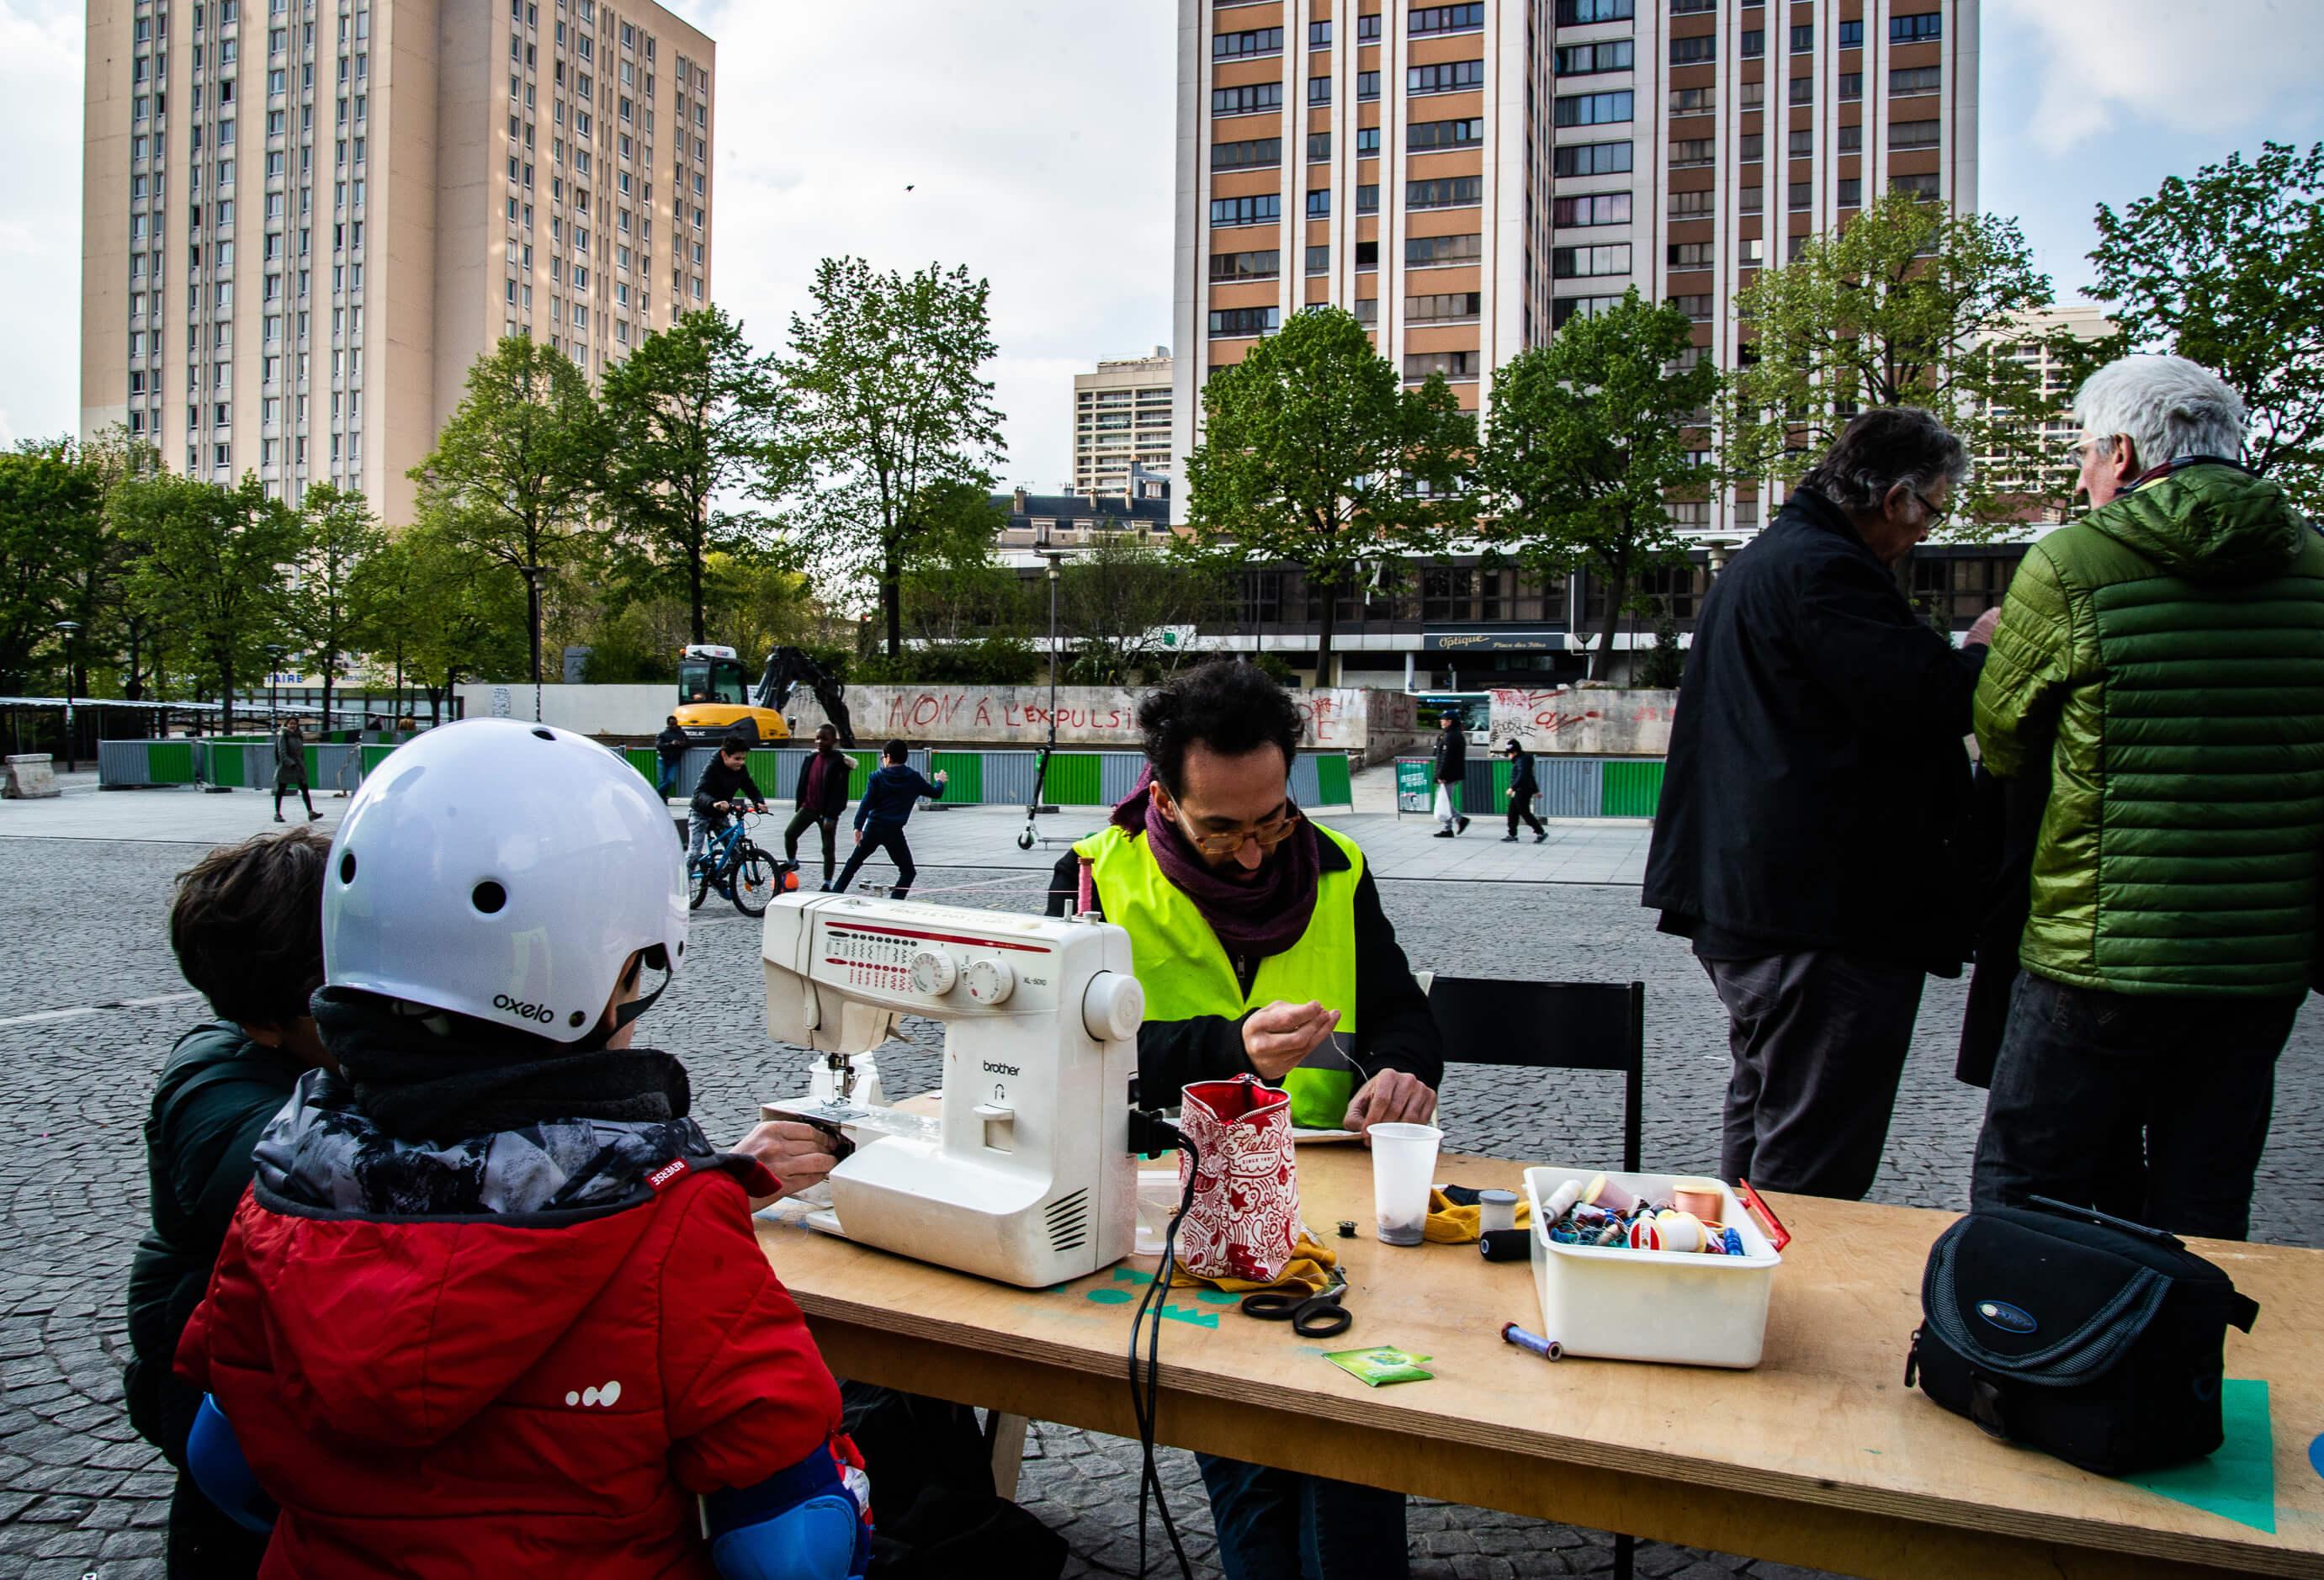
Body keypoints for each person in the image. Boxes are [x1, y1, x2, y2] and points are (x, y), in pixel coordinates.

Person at [173, 718, 865, 1577]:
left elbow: (223, 1467)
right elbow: (789, 1552)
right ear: (612, 972)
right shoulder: (671, 1227)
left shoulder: (280, 1189)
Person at [1047, 660, 1442, 1580]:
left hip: (1332, 1201)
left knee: (1353, 1439)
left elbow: (1402, 1012)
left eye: (1272, 820)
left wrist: (1403, 1071)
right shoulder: (1094, 878)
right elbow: (1067, 1051)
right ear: (1163, 796)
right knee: (1253, 1456)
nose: (1257, 851)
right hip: (1176, 1205)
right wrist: (1227, 1048)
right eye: (1223, 830)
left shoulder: (1337, 867)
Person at [1969, 356, 2324, 1240]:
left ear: (2122, 455)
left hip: (2097, 943)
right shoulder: (2314, 564)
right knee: (2201, 1197)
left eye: (2086, 454)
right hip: (2257, 954)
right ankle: (2175, 1372)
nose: (2082, 474)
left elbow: (2004, 737)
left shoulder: (2071, 561)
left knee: (2027, 1183)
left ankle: (2020, 1367)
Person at [1642, 407, 1986, 1201]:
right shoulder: (1826, 569)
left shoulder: (1778, 557)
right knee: (1811, 1151)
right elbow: (1924, 699)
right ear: (1897, 497)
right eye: (1933, 510)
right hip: (1819, 913)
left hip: (1766, 902)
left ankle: (1739, 1290)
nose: (1928, 531)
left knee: (1769, 1113)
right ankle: (1781, 1303)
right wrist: (1976, 653)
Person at [127, 827, 336, 1578]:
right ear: (266, 1018)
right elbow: (335, 1182)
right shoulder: (215, 1093)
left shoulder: (300, 1055)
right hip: (223, 1405)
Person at [828, 741, 944, 899]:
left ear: (888, 758)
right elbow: (936, 793)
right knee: (908, 871)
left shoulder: (877, 777)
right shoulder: (913, 778)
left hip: (873, 829)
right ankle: (896, 900)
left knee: (853, 863)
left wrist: (858, 827)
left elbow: (866, 803)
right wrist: (940, 781)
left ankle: (836, 893)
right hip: (894, 832)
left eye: (883, 756)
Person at [786, 724, 852, 888]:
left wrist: (832, 815)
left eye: (824, 738)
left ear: (834, 741)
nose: (819, 742)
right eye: (817, 738)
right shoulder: (810, 759)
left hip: (827, 814)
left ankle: (827, 883)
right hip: (808, 807)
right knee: (790, 833)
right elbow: (803, 782)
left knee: (828, 849)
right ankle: (792, 862)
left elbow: (841, 793)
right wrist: (800, 804)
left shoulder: (839, 762)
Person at [689, 733, 768, 870]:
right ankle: (682, 887)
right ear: (725, 755)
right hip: (701, 812)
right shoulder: (713, 767)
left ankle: (719, 880)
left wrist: (758, 802)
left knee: (736, 855)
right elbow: (699, 793)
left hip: (720, 814)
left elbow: (750, 787)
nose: (741, 762)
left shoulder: (740, 769)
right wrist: (714, 803)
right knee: (694, 854)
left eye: (744, 759)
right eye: (737, 758)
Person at [1430, 709, 1469, 838]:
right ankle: (1456, 821)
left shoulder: (1452, 736)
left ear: (1450, 721)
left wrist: (1442, 775)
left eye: (1443, 719)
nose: (1441, 721)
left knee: (1444, 801)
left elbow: (1447, 758)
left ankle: (1452, 825)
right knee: (1444, 800)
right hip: (1450, 773)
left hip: (1448, 774)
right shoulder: (1449, 734)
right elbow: (1439, 754)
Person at [1498, 738, 1546, 844]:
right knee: (1512, 813)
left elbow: (1522, 776)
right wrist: (1536, 790)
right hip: (1521, 790)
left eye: (1509, 754)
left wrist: (1512, 788)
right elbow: (1530, 776)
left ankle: (1540, 832)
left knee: (1525, 813)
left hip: (1522, 790)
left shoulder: (1522, 760)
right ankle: (1512, 835)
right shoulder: (1523, 759)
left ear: (1514, 752)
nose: (1508, 756)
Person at [273, 718, 320, 823]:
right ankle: (277, 813)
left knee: (304, 788)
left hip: (298, 766)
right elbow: (282, 753)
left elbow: (301, 752)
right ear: (286, 724)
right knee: (281, 789)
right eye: (291, 723)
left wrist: (301, 764)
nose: (293, 725)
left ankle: (311, 812)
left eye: (295, 724)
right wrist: (291, 763)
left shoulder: (298, 736)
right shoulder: (283, 736)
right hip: (286, 767)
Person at [654, 714, 692, 801]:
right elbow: (659, 745)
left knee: (670, 780)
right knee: (663, 780)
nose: (674, 726)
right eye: (672, 724)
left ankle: (656, 796)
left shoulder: (681, 733)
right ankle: (662, 799)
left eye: (675, 724)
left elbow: (689, 743)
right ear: (668, 724)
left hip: (674, 760)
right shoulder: (663, 734)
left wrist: (682, 744)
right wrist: (671, 744)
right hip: (663, 759)